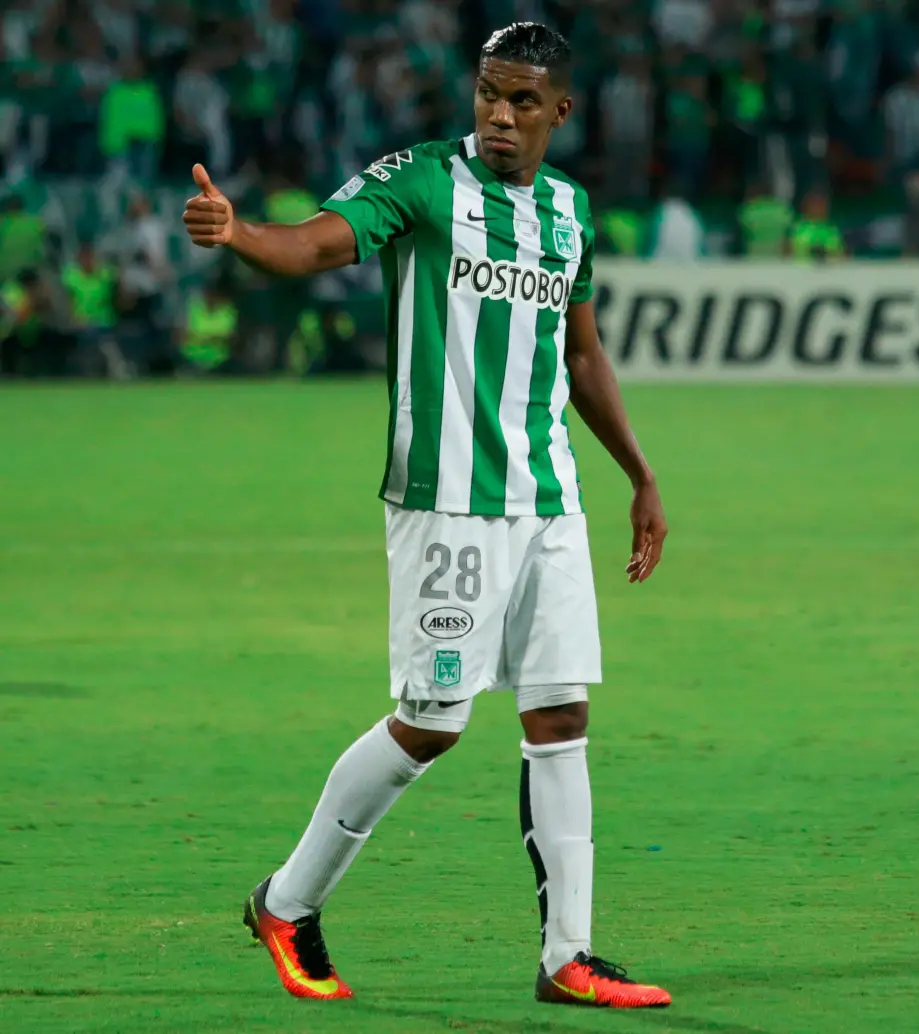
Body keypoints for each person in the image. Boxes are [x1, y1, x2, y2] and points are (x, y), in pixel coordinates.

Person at [183, 21, 671, 1011]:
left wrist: (639, 473)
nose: (500, 114)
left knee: (560, 713)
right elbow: (316, 242)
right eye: (489, 93)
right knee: (431, 722)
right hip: (447, 503)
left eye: (522, 100)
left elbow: (581, 354)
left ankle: (568, 955)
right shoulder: (421, 181)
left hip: (549, 498)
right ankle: (286, 901)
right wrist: (240, 234)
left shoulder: (570, 211)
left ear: (560, 111)